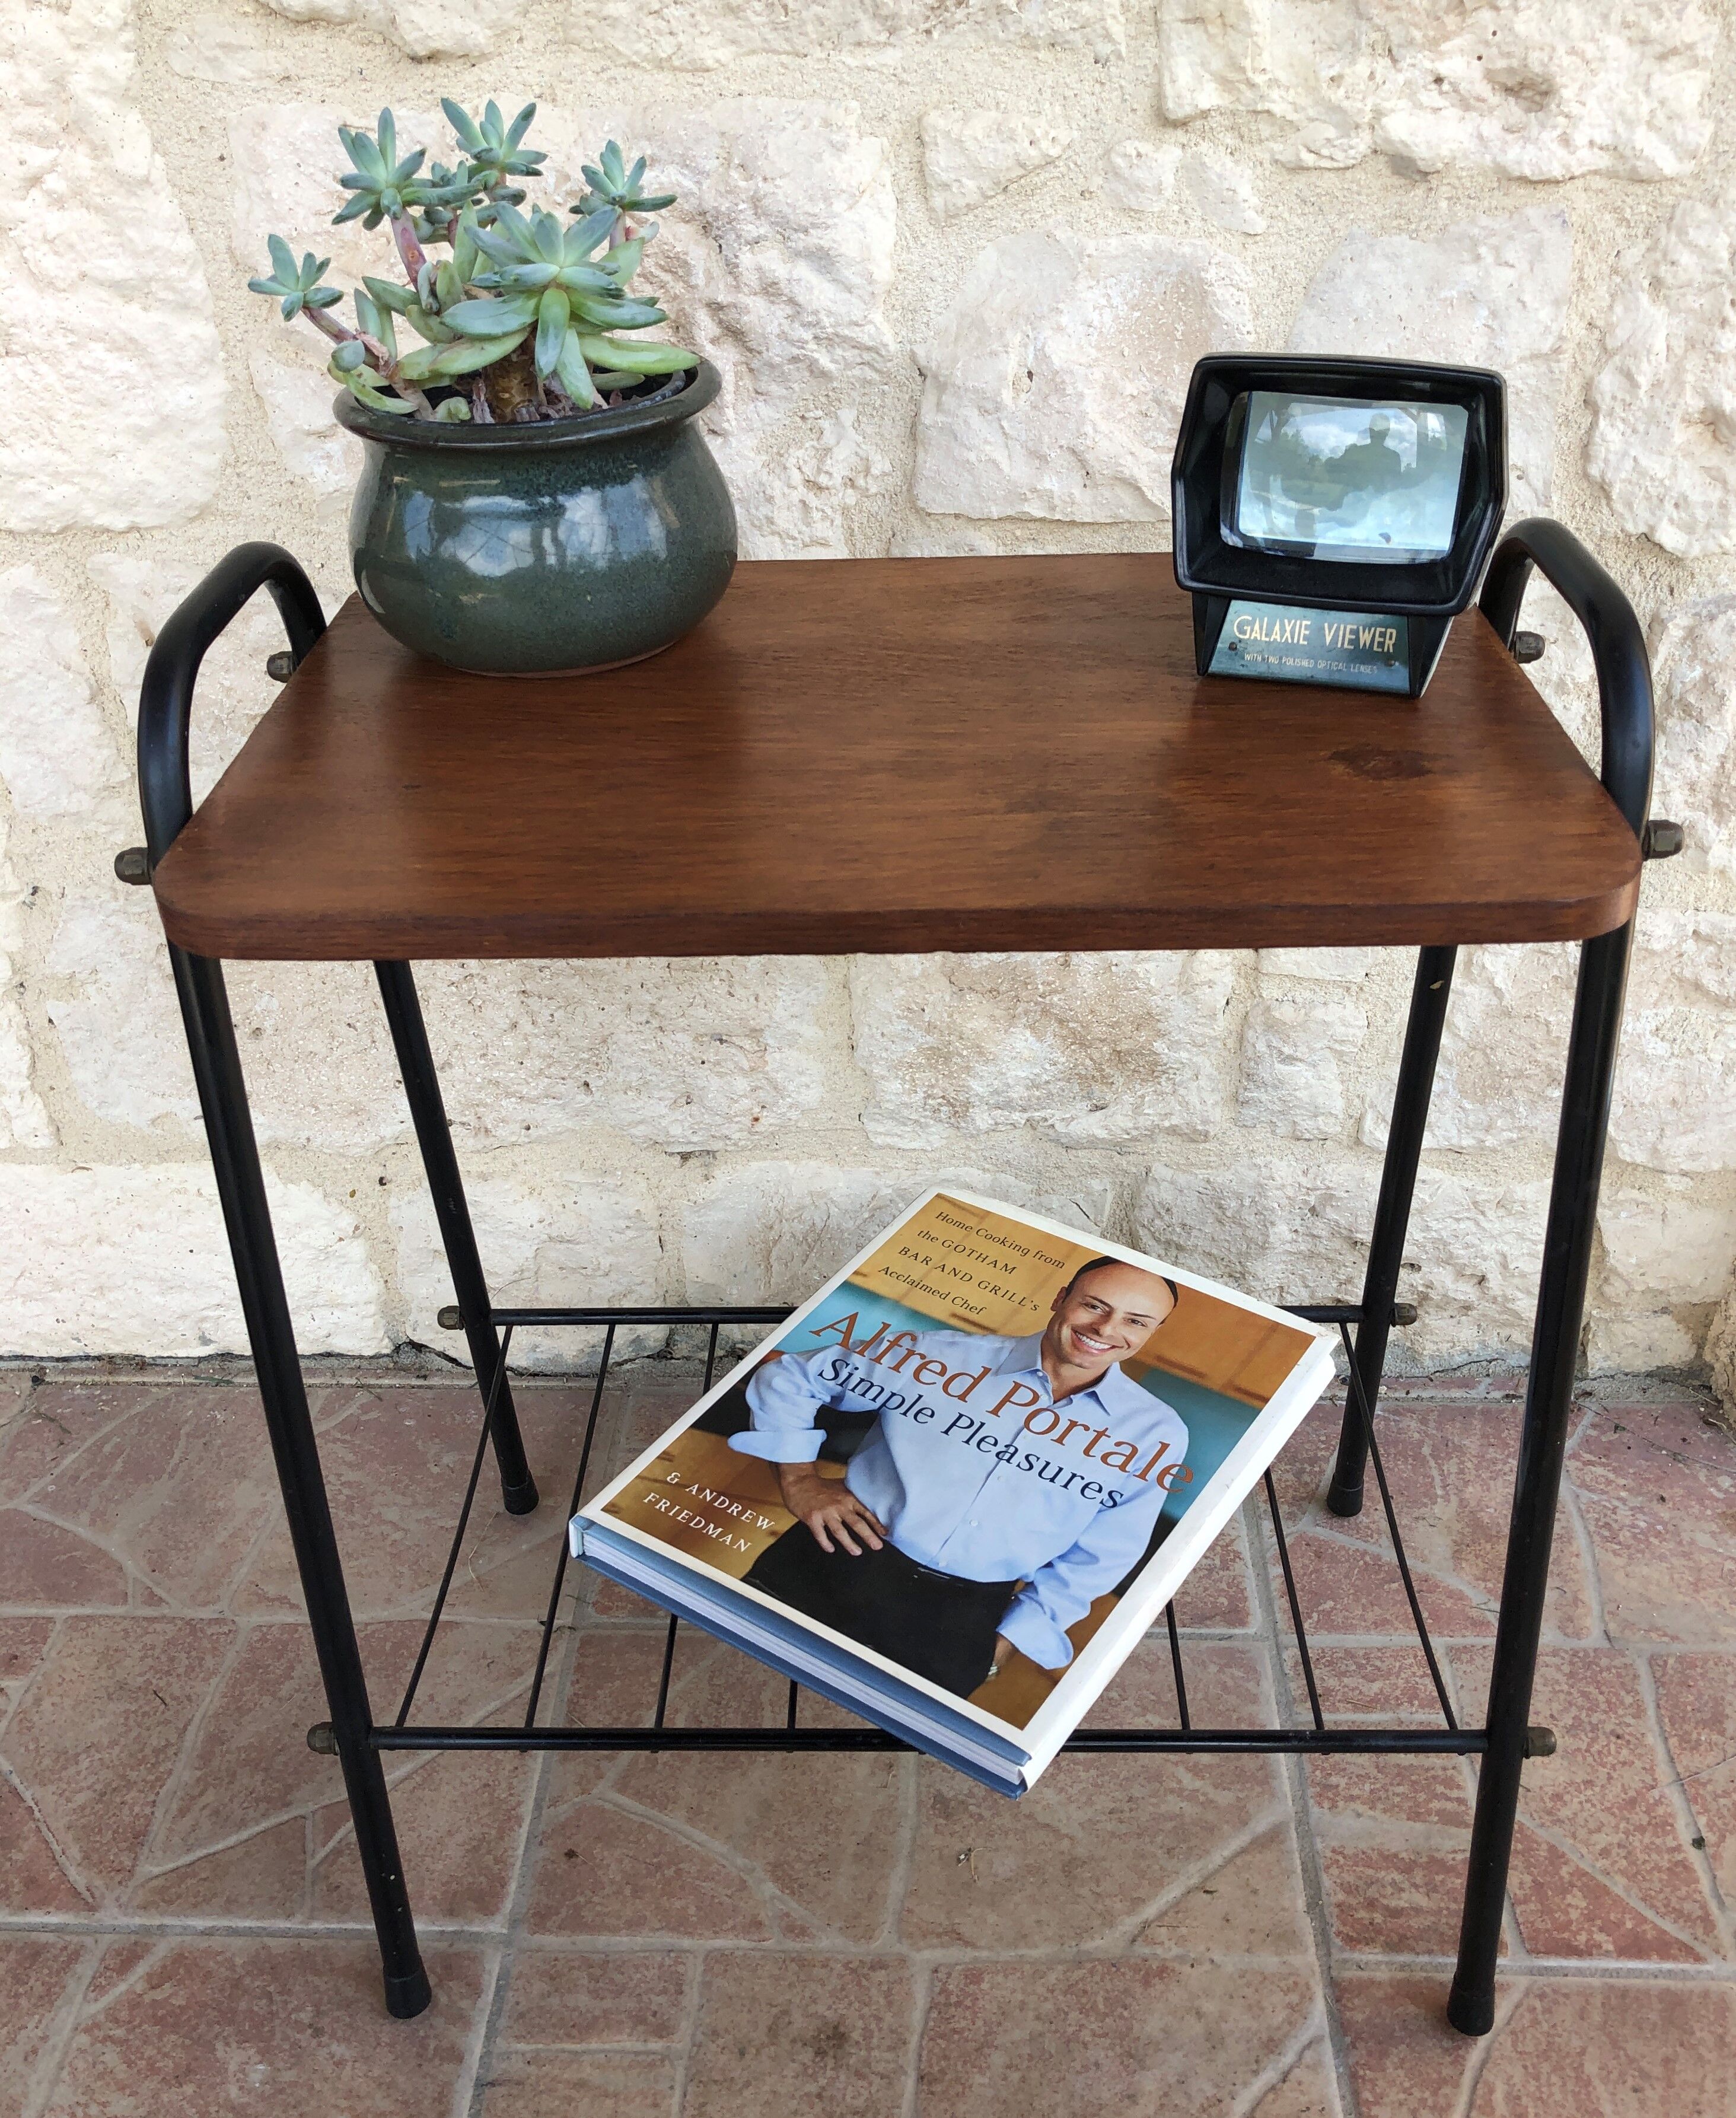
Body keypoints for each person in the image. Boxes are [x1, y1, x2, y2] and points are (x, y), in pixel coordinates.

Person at [728, 1257, 1189, 1699]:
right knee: (733, 1686)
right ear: (1061, 1297)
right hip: (832, 1563)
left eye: (1136, 1321)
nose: (1106, 1330)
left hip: (961, 1620)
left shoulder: (1155, 1432)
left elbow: (1105, 1553)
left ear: (1152, 1332)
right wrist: (799, 1480)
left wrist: (1010, 1639)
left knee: (874, 1759)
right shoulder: (937, 1355)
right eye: (1093, 1305)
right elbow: (789, 1376)